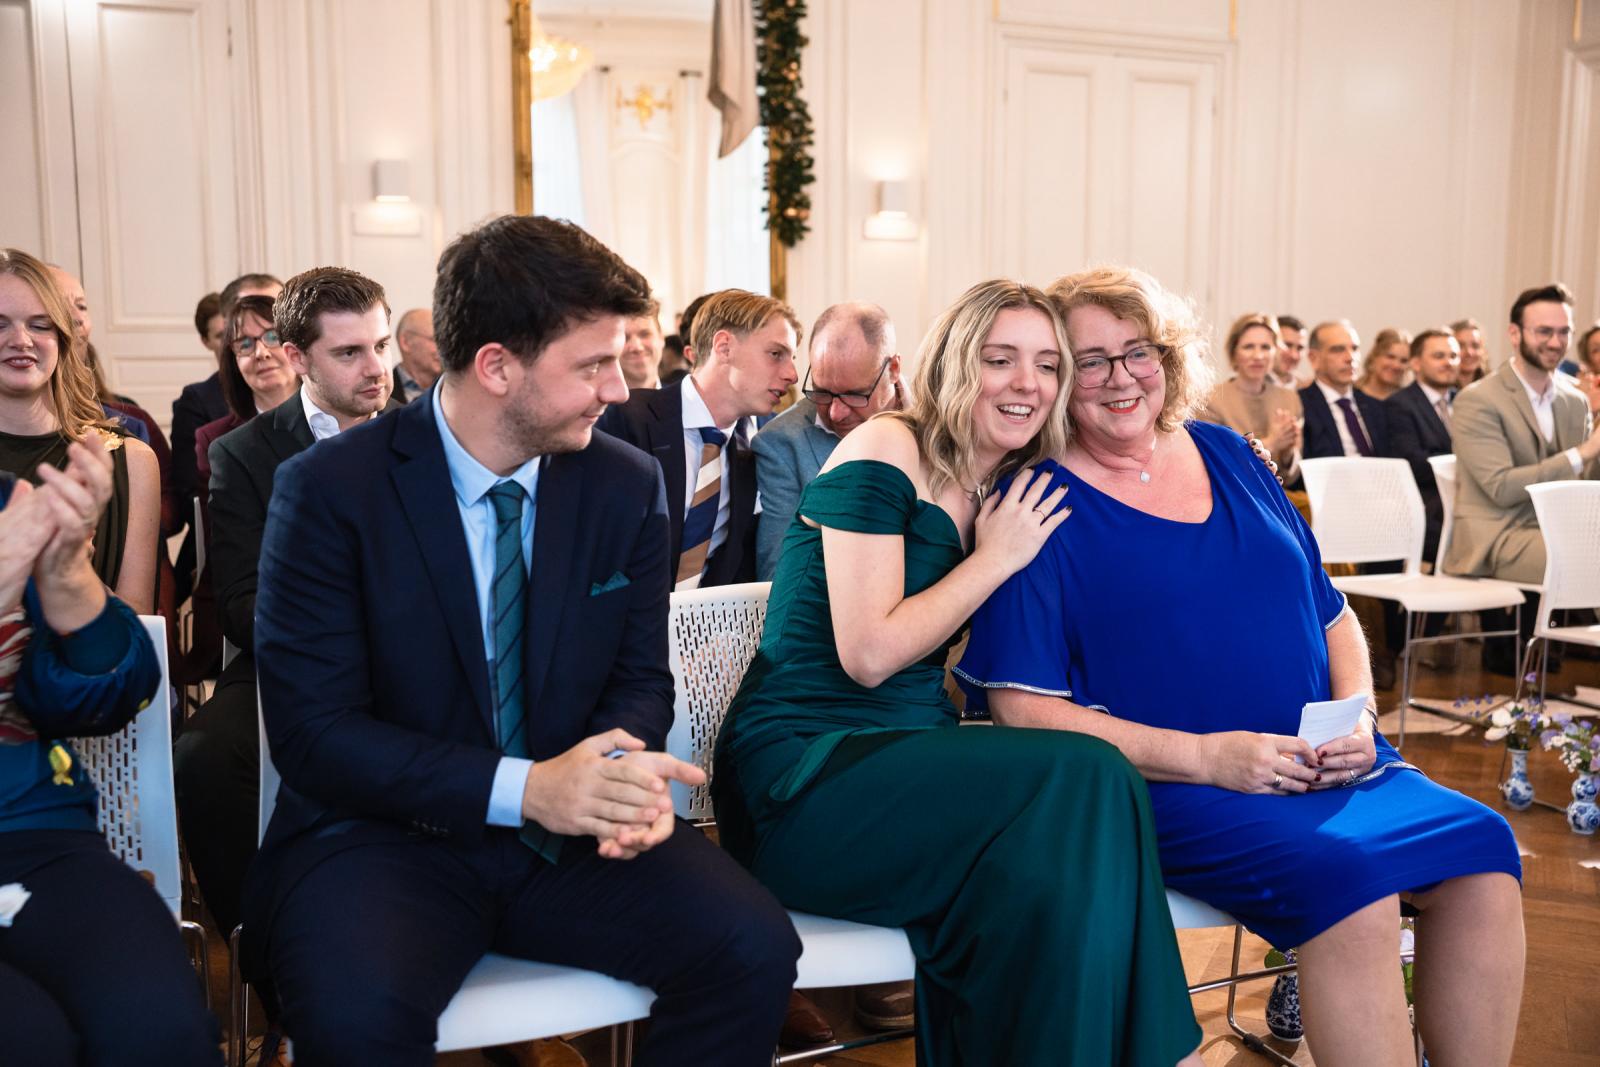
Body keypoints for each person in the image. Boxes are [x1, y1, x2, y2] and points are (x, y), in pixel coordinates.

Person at [243, 215, 799, 1066]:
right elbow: (317, 736)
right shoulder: (328, 491)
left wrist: (614, 777)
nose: (620, 390)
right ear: (496, 365)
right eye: (592, 365)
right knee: (356, 1024)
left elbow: (642, 678)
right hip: (379, 839)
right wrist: (528, 787)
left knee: (752, 947)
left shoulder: (622, 482)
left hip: (571, 835)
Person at [956, 265, 1525, 1067]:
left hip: (1329, 764)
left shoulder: (1230, 453)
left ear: (1169, 357)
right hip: (1176, 785)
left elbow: (1336, 617)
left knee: (1483, 852)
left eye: (1138, 351)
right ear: (1057, 377)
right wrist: (1211, 756)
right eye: (1090, 360)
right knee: (1351, 887)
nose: (1121, 378)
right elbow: (1023, 709)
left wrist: (1360, 716)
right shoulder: (1034, 499)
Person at [714, 279, 1203, 1067]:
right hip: (805, 775)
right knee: (1085, 774)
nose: (1027, 383)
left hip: (915, 763)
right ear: (953, 362)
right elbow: (866, 653)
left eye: (1047, 364)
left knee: (1065, 852)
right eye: (1000, 358)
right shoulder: (886, 447)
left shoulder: (1015, 482)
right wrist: (996, 558)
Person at [176, 268, 398, 941]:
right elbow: (242, 607)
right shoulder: (244, 453)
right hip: (292, 665)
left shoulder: (432, 436)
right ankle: (279, 972)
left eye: (381, 346)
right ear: (299, 358)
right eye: (350, 353)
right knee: (204, 758)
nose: (376, 369)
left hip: (418, 656)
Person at [0, 448, 219, 1066]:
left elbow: (114, 693)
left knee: (158, 1029)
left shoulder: (10, 506)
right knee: (28, 1041)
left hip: (38, 842)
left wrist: (67, 573)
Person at [1444, 283, 1600, 674]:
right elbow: (1501, 487)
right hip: (1497, 536)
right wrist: (1582, 453)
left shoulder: (1574, 400)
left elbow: (1581, 486)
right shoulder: (1478, 399)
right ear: (1515, 334)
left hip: (1555, 533)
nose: (1555, 342)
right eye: (1543, 331)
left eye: (1563, 332)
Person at [599, 289, 800, 590]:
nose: (793, 374)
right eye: (776, 354)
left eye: (792, 358)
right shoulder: (627, 421)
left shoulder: (752, 455)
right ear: (724, 347)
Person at [0, 250, 159, 615]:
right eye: (0, 324)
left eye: (40, 325)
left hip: (90, 667)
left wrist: (71, 572)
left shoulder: (131, 461)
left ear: (62, 337)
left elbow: (139, 631)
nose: (21, 340)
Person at [753, 301, 904, 581]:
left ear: (893, 369)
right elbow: (778, 574)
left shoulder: (940, 424)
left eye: (854, 395)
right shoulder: (781, 443)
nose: (836, 412)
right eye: (821, 392)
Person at [192, 295, 300, 509]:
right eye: (245, 343)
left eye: (272, 336)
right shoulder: (216, 440)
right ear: (233, 360)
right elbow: (219, 531)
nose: (261, 353)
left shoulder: (337, 418)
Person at [1384, 328, 1460, 567]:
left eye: (1453, 356)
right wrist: (1466, 463)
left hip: (1467, 502)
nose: (1449, 362)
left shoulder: (1468, 401)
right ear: (1416, 364)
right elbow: (1413, 464)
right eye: (1439, 356)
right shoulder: (1399, 405)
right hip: (1428, 506)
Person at [1199, 312, 1303, 480]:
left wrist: (1288, 452)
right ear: (1234, 352)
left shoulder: (1290, 399)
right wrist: (1272, 442)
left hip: (1280, 494)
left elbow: (1292, 476)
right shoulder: (1211, 399)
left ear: (1276, 352)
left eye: (1266, 347)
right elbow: (1218, 465)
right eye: (1249, 347)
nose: (1258, 356)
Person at [1299, 319, 1389, 460]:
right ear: (1313, 358)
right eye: (1338, 350)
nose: (1350, 357)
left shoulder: (1375, 407)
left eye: (1355, 349)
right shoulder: (1300, 406)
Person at [392, 307, 440, 403]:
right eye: (434, 339)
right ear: (406, 342)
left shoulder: (456, 385)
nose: (442, 348)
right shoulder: (382, 390)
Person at [1356, 327, 1411, 401]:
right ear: (1375, 356)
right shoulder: (1351, 395)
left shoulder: (1409, 403)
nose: (1396, 365)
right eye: (1390, 357)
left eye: (1403, 361)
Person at [620, 303, 667, 390]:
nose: (637, 347)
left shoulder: (685, 400)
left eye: (645, 334)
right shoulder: (595, 403)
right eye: (624, 338)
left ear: (661, 338)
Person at [1451, 317, 1489, 386]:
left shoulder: (1493, 386)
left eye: (1475, 346)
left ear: (1483, 351)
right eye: (1461, 346)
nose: (1469, 352)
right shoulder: (1442, 392)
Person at [1274, 313, 1309, 387]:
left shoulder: (1308, 390)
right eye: (1287, 345)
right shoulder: (1249, 386)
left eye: (1300, 348)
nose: (1294, 356)